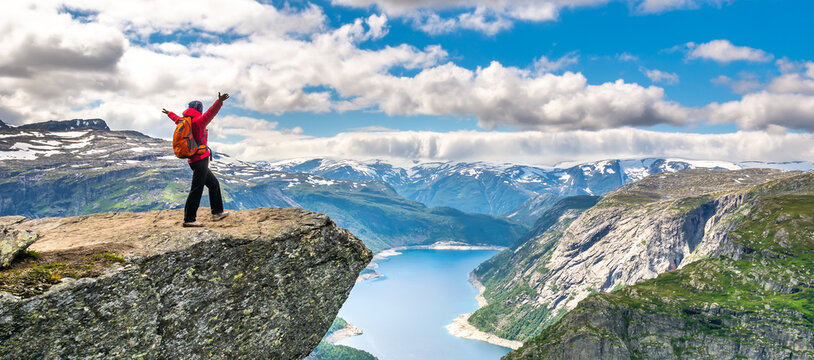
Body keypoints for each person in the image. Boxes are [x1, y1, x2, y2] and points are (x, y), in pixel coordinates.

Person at [162, 92, 230, 227]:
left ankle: (217, 213)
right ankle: (189, 219)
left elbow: (176, 118)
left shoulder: (184, 120)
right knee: (197, 189)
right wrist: (219, 102)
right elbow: (211, 113)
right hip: (200, 160)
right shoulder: (199, 121)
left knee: (213, 184)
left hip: (194, 161)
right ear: (199, 109)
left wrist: (169, 113)